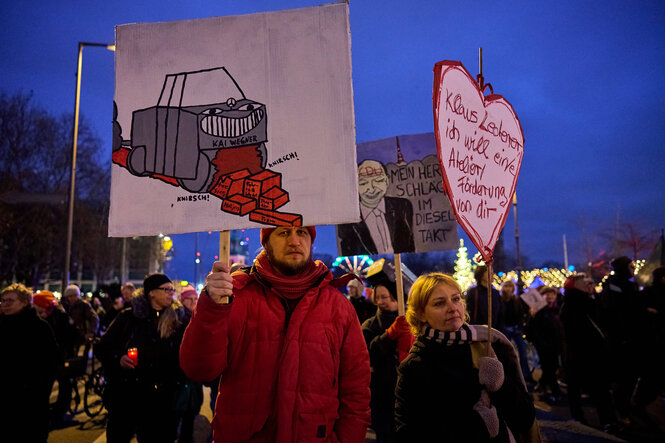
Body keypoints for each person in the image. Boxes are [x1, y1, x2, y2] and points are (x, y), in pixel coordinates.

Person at [180, 226, 371, 442]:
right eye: (283, 233)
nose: (294, 241)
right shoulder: (236, 296)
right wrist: (211, 307)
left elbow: (356, 389)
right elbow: (199, 369)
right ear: (266, 242)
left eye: (302, 233)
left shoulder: (338, 306)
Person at [394, 273, 536, 442]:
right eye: (439, 303)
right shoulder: (414, 367)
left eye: (455, 299)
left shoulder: (487, 346)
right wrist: (480, 425)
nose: (453, 308)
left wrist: (502, 385)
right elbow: (410, 434)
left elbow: (525, 418)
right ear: (421, 314)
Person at [97, 273, 187, 443]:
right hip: (127, 397)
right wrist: (119, 358)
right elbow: (103, 347)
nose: (171, 293)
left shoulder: (176, 320)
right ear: (151, 292)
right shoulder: (128, 318)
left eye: (172, 290)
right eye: (166, 289)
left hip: (161, 401)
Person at [0, 283, 59, 443]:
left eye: (10, 301)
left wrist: (35, 392)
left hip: (29, 404)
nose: (4, 305)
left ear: (25, 302)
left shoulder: (39, 328)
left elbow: (50, 364)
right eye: (3, 301)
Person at [559, 273, 617, 428]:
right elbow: (576, 331)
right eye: (584, 283)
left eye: (590, 283)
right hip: (582, 353)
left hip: (594, 352)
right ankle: (587, 419)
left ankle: (607, 419)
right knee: (586, 388)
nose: (589, 285)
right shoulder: (573, 304)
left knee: (598, 388)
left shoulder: (591, 300)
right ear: (574, 286)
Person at [361, 281, 412, 443]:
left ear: (398, 299)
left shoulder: (413, 323)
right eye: (378, 297)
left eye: (386, 297)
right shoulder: (370, 325)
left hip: (408, 394)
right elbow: (367, 354)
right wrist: (389, 334)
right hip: (382, 394)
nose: (381, 302)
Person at [338, 159, 415, 255]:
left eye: (378, 181)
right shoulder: (346, 219)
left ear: (386, 181)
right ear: (355, 186)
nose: (371, 189)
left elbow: (409, 248)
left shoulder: (402, 206)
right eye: (363, 183)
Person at [600, 256, 644, 423]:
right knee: (623, 377)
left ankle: (627, 406)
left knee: (632, 376)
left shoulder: (631, 285)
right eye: (630, 266)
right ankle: (622, 409)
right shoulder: (613, 286)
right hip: (620, 340)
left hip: (633, 338)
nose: (633, 269)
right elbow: (614, 313)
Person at [33, 290, 79, 425]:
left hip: (61, 357)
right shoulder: (40, 316)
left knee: (64, 384)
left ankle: (60, 411)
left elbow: (70, 337)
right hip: (46, 358)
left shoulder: (61, 317)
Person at [174, 285, 204, 443]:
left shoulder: (198, 317)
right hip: (180, 377)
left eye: (195, 299)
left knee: (189, 417)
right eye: (189, 299)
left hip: (193, 378)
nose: (193, 302)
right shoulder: (177, 319)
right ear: (182, 300)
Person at [528, 287, 563, 401]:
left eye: (552, 294)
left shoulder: (557, 309)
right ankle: (555, 392)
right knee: (549, 368)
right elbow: (532, 328)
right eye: (547, 294)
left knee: (553, 366)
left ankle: (542, 385)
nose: (550, 297)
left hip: (556, 344)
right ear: (542, 296)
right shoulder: (538, 310)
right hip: (543, 344)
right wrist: (532, 315)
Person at [499, 280, 532, 383]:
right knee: (507, 353)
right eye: (506, 286)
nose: (508, 289)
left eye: (510, 287)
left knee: (523, 352)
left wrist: (520, 327)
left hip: (516, 329)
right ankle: (508, 376)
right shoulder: (500, 300)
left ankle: (525, 375)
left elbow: (521, 314)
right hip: (505, 329)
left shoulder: (516, 300)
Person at [466, 265, 504, 330]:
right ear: (481, 275)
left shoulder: (495, 293)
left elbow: (500, 313)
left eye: (492, 273)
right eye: (489, 272)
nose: (492, 275)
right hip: (478, 330)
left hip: (494, 330)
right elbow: (469, 312)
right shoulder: (473, 292)